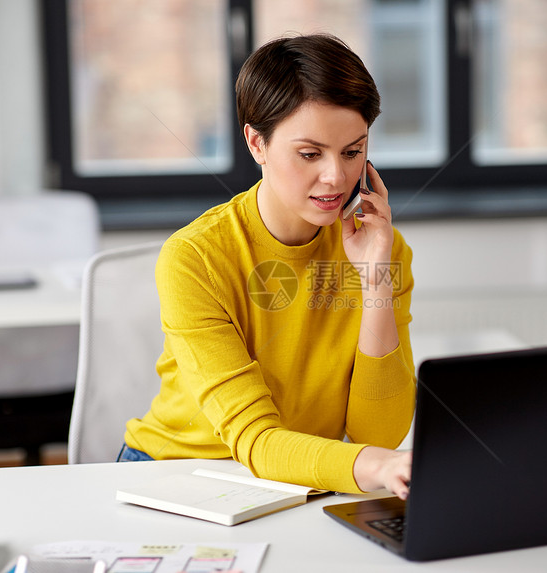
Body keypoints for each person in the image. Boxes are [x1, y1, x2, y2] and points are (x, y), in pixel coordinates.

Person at [121, 34, 415, 500]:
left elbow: (377, 436)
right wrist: (377, 466)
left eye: (353, 151)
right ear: (257, 143)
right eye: (310, 154)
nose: (336, 177)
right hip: (178, 475)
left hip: (298, 474)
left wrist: (376, 280)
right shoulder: (195, 258)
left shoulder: (381, 247)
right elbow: (255, 439)